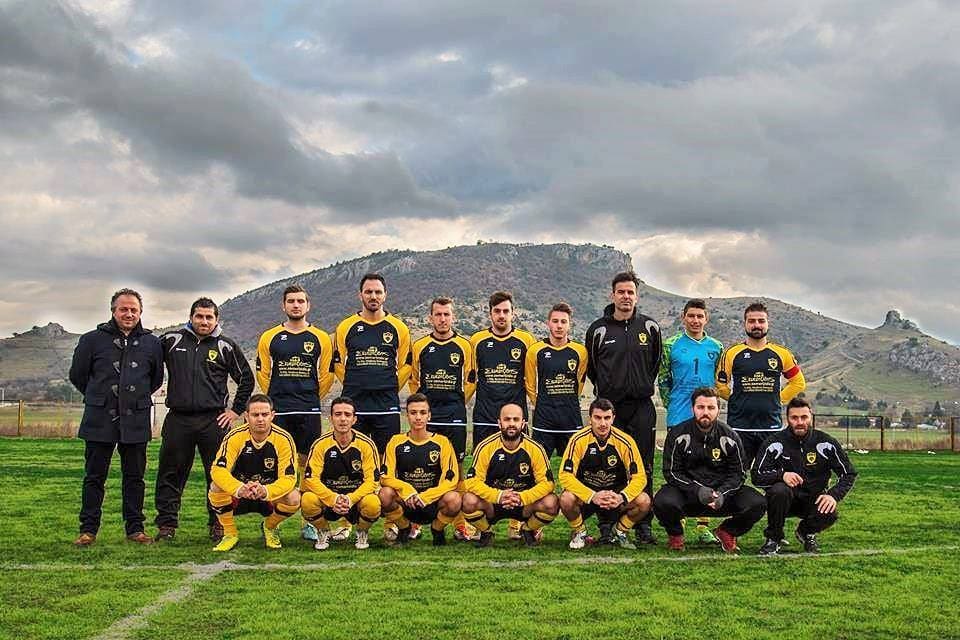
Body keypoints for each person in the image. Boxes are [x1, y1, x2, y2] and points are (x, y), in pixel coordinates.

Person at [69, 288, 164, 546]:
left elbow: (155, 379)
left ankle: (135, 529)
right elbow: (78, 375)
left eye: (134, 310)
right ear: (113, 311)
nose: (129, 314)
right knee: (94, 477)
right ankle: (88, 530)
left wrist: (131, 399)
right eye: (124, 309)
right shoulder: (91, 340)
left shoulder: (152, 343)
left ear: (140, 312)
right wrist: (100, 396)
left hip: (136, 420)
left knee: (135, 478)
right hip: (99, 418)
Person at [155, 297, 254, 542]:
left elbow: (246, 379)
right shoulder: (171, 340)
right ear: (191, 317)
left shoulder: (225, 346)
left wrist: (235, 411)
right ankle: (166, 524)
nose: (204, 321)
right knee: (171, 473)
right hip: (178, 419)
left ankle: (218, 522)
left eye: (209, 317)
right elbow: (148, 363)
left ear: (216, 319)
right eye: (199, 316)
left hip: (214, 420)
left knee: (218, 474)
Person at [584, 271, 662, 544]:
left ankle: (643, 524)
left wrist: (639, 385)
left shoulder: (650, 327)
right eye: (621, 292)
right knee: (611, 466)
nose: (626, 297)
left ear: (636, 296)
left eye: (630, 292)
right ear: (612, 295)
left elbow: (654, 364)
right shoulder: (598, 330)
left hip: (641, 406)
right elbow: (593, 369)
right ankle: (607, 524)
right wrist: (610, 389)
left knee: (644, 465)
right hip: (610, 407)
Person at [255, 283, 334, 542]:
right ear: (284, 305)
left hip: (308, 409)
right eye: (291, 301)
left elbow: (326, 375)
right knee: (278, 465)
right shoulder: (270, 337)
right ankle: (273, 520)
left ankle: (308, 521)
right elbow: (264, 373)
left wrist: (311, 397)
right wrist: (276, 400)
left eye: (300, 301)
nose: (296, 305)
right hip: (280, 410)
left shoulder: (320, 338)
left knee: (309, 465)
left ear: (308, 305)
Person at [653, 387, 765, 553]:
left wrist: (722, 493)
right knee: (662, 501)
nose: (705, 412)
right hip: (688, 494)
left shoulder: (730, 437)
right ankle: (676, 535)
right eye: (701, 407)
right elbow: (671, 472)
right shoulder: (678, 434)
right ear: (693, 408)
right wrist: (697, 490)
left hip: (721, 496)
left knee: (758, 503)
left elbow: (738, 474)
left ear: (718, 409)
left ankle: (727, 531)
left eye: (711, 407)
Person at [470, 291, 536, 541]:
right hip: (485, 413)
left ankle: (516, 523)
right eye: (497, 311)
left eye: (506, 311)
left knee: (519, 469)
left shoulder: (525, 340)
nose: (501, 315)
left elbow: (530, 378)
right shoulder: (477, 340)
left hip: (514, 418)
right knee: (483, 469)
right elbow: (471, 376)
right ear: (490, 313)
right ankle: (481, 523)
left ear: (513, 313)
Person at [753, 398, 858, 555]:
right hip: (783, 501)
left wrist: (833, 495)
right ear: (787, 419)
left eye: (804, 417)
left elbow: (848, 473)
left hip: (812, 500)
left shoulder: (825, 443)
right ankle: (773, 539)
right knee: (779, 490)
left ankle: (806, 532)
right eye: (794, 418)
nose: (800, 422)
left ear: (811, 417)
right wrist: (782, 475)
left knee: (830, 511)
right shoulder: (775, 443)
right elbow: (756, 475)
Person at [657, 298, 724, 544]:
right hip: (679, 414)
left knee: (707, 467)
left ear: (706, 319)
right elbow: (663, 379)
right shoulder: (670, 345)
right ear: (683, 317)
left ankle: (703, 525)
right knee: (680, 469)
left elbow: (719, 381)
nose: (695, 320)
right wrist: (672, 404)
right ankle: (680, 520)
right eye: (691, 316)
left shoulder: (717, 347)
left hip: (707, 417)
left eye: (700, 316)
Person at [410, 296, 477, 540]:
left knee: (456, 470)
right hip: (429, 417)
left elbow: (470, 380)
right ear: (430, 318)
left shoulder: (464, 345)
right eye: (438, 314)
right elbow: (414, 380)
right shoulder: (420, 345)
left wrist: (457, 402)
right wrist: (423, 408)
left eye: (446, 314)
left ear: (453, 317)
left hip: (454, 416)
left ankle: (460, 525)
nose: (442, 319)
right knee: (422, 468)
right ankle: (415, 522)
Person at [716, 301, 806, 466]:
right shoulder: (731, 353)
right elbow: (720, 386)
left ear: (767, 323)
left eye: (761, 321)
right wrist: (736, 399)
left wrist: (778, 399)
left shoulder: (782, 354)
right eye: (751, 321)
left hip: (771, 427)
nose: (756, 325)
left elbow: (798, 382)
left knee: (772, 475)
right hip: (739, 426)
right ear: (745, 323)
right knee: (735, 473)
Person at [207, 394, 300, 551]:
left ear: (272, 415)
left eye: (265, 414)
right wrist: (239, 488)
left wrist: (266, 490)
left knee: (294, 497)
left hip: (267, 496)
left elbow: (289, 478)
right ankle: (230, 533)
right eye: (255, 415)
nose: (260, 419)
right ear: (246, 416)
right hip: (240, 495)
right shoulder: (235, 436)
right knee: (216, 486)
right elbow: (218, 470)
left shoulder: (284, 439)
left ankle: (270, 527)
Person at [333, 273, 411, 455]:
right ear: (360, 295)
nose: (373, 296)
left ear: (385, 295)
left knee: (386, 456)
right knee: (353, 455)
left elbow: (406, 366)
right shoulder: (345, 326)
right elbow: (337, 364)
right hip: (354, 401)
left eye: (378, 292)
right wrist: (355, 383)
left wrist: (390, 385)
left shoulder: (399, 327)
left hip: (386, 403)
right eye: (368, 292)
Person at [559, 398, 651, 550]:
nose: (603, 423)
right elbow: (565, 476)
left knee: (644, 501)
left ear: (613, 418)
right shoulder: (578, 440)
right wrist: (592, 496)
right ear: (590, 419)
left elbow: (640, 477)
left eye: (607, 418)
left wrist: (621, 497)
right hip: (587, 497)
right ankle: (580, 532)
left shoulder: (626, 441)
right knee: (566, 499)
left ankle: (620, 531)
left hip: (614, 497)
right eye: (598, 418)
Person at [463, 403, 559, 547]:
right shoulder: (485, 447)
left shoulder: (535, 448)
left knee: (551, 503)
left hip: (523, 504)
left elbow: (548, 483)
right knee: (468, 501)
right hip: (493, 503)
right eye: (507, 419)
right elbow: (472, 482)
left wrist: (523, 497)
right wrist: (498, 496)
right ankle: (486, 531)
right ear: (499, 423)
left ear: (523, 423)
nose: (511, 424)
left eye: (516, 419)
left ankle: (527, 529)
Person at [300, 396, 382, 551]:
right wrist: (333, 499)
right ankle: (323, 531)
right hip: (329, 501)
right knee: (307, 500)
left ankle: (362, 531)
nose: (343, 419)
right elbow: (311, 479)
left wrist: (351, 499)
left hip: (356, 500)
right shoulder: (320, 444)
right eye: (338, 414)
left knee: (373, 503)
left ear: (354, 419)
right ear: (331, 418)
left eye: (347, 414)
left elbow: (372, 481)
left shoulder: (366, 444)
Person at [378, 393, 461, 546]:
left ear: (429, 416)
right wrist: (407, 490)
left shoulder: (442, 442)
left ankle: (437, 529)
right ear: (407, 416)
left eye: (423, 413)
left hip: (432, 502)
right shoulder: (396, 442)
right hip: (406, 501)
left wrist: (427, 496)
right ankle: (404, 527)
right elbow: (385, 477)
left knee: (454, 499)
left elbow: (451, 479)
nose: (418, 417)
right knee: (384, 494)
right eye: (413, 413)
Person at [525, 302, 588, 458]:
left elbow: (580, 382)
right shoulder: (535, 350)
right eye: (555, 321)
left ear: (569, 325)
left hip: (570, 417)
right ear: (548, 323)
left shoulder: (580, 351)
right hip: (544, 418)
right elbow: (530, 384)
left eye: (563, 321)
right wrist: (541, 403)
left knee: (574, 463)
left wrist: (569, 399)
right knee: (538, 462)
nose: (559, 326)